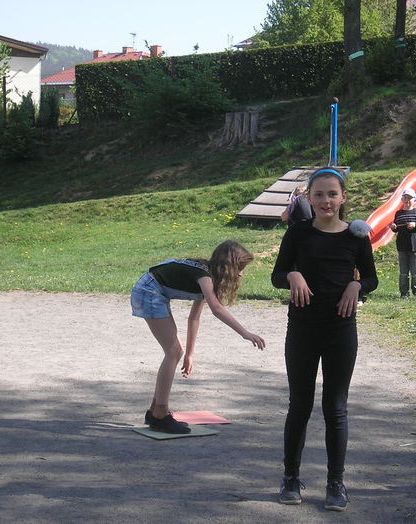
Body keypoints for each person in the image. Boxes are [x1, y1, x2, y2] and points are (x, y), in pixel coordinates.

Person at [271, 167, 377, 511]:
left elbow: (372, 279)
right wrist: (293, 275)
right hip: (302, 329)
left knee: (336, 407)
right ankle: (290, 478)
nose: (326, 200)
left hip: (341, 330)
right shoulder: (298, 233)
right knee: (299, 405)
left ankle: (336, 483)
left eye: (332, 194)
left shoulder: (356, 237)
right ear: (309, 198)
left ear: (343, 197)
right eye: (319, 194)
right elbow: (276, 275)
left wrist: (356, 285)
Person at [131, 240, 266, 434]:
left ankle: (155, 411)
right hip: (149, 291)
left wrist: (189, 355)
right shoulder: (205, 277)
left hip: (152, 290)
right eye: (239, 268)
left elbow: (193, 318)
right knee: (173, 352)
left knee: (175, 352)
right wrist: (245, 333)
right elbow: (217, 309)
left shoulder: (207, 278)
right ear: (227, 266)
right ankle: (160, 414)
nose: (241, 274)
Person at [389, 188, 416, 298]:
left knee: (415, 272)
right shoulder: (398, 213)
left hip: (415, 246)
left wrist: (415, 225)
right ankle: (404, 293)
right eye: (405, 198)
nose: (407, 200)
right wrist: (393, 227)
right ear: (402, 200)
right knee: (403, 272)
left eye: (410, 198)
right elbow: (396, 228)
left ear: (414, 200)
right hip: (402, 246)